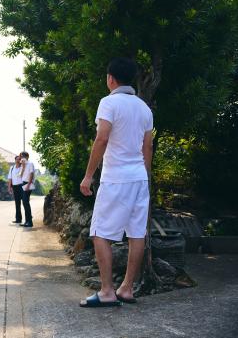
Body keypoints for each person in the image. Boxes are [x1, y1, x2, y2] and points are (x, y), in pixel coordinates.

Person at [79, 57, 153, 308]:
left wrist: (88, 175)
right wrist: (144, 176)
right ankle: (127, 289)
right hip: (139, 178)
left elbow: (102, 139)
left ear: (111, 78)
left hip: (115, 178)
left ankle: (107, 291)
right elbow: (147, 146)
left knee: (99, 232)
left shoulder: (109, 103)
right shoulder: (144, 108)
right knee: (136, 233)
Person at [19, 151, 35, 227]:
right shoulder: (22, 165)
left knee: (25, 202)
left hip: (28, 184)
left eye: (23, 156)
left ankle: (30, 222)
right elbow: (20, 176)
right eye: (21, 157)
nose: (22, 158)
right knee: (25, 203)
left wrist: (28, 184)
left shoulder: (30, 164)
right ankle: (27, 221)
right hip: (23, 183)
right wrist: (23, 167)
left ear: (27, 157)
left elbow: (31, 174)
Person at [7, 155, 23, 224]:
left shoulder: (22, 167)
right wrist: (9, 187)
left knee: (25, 203)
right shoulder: (12, 168)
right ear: (15, 160)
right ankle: (18, 219)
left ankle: (28, 218)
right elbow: (10, 178)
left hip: (22, 186)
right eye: (17, 159)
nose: (18, 160)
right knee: (17, 203)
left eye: (19, 159)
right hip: (15, 187)